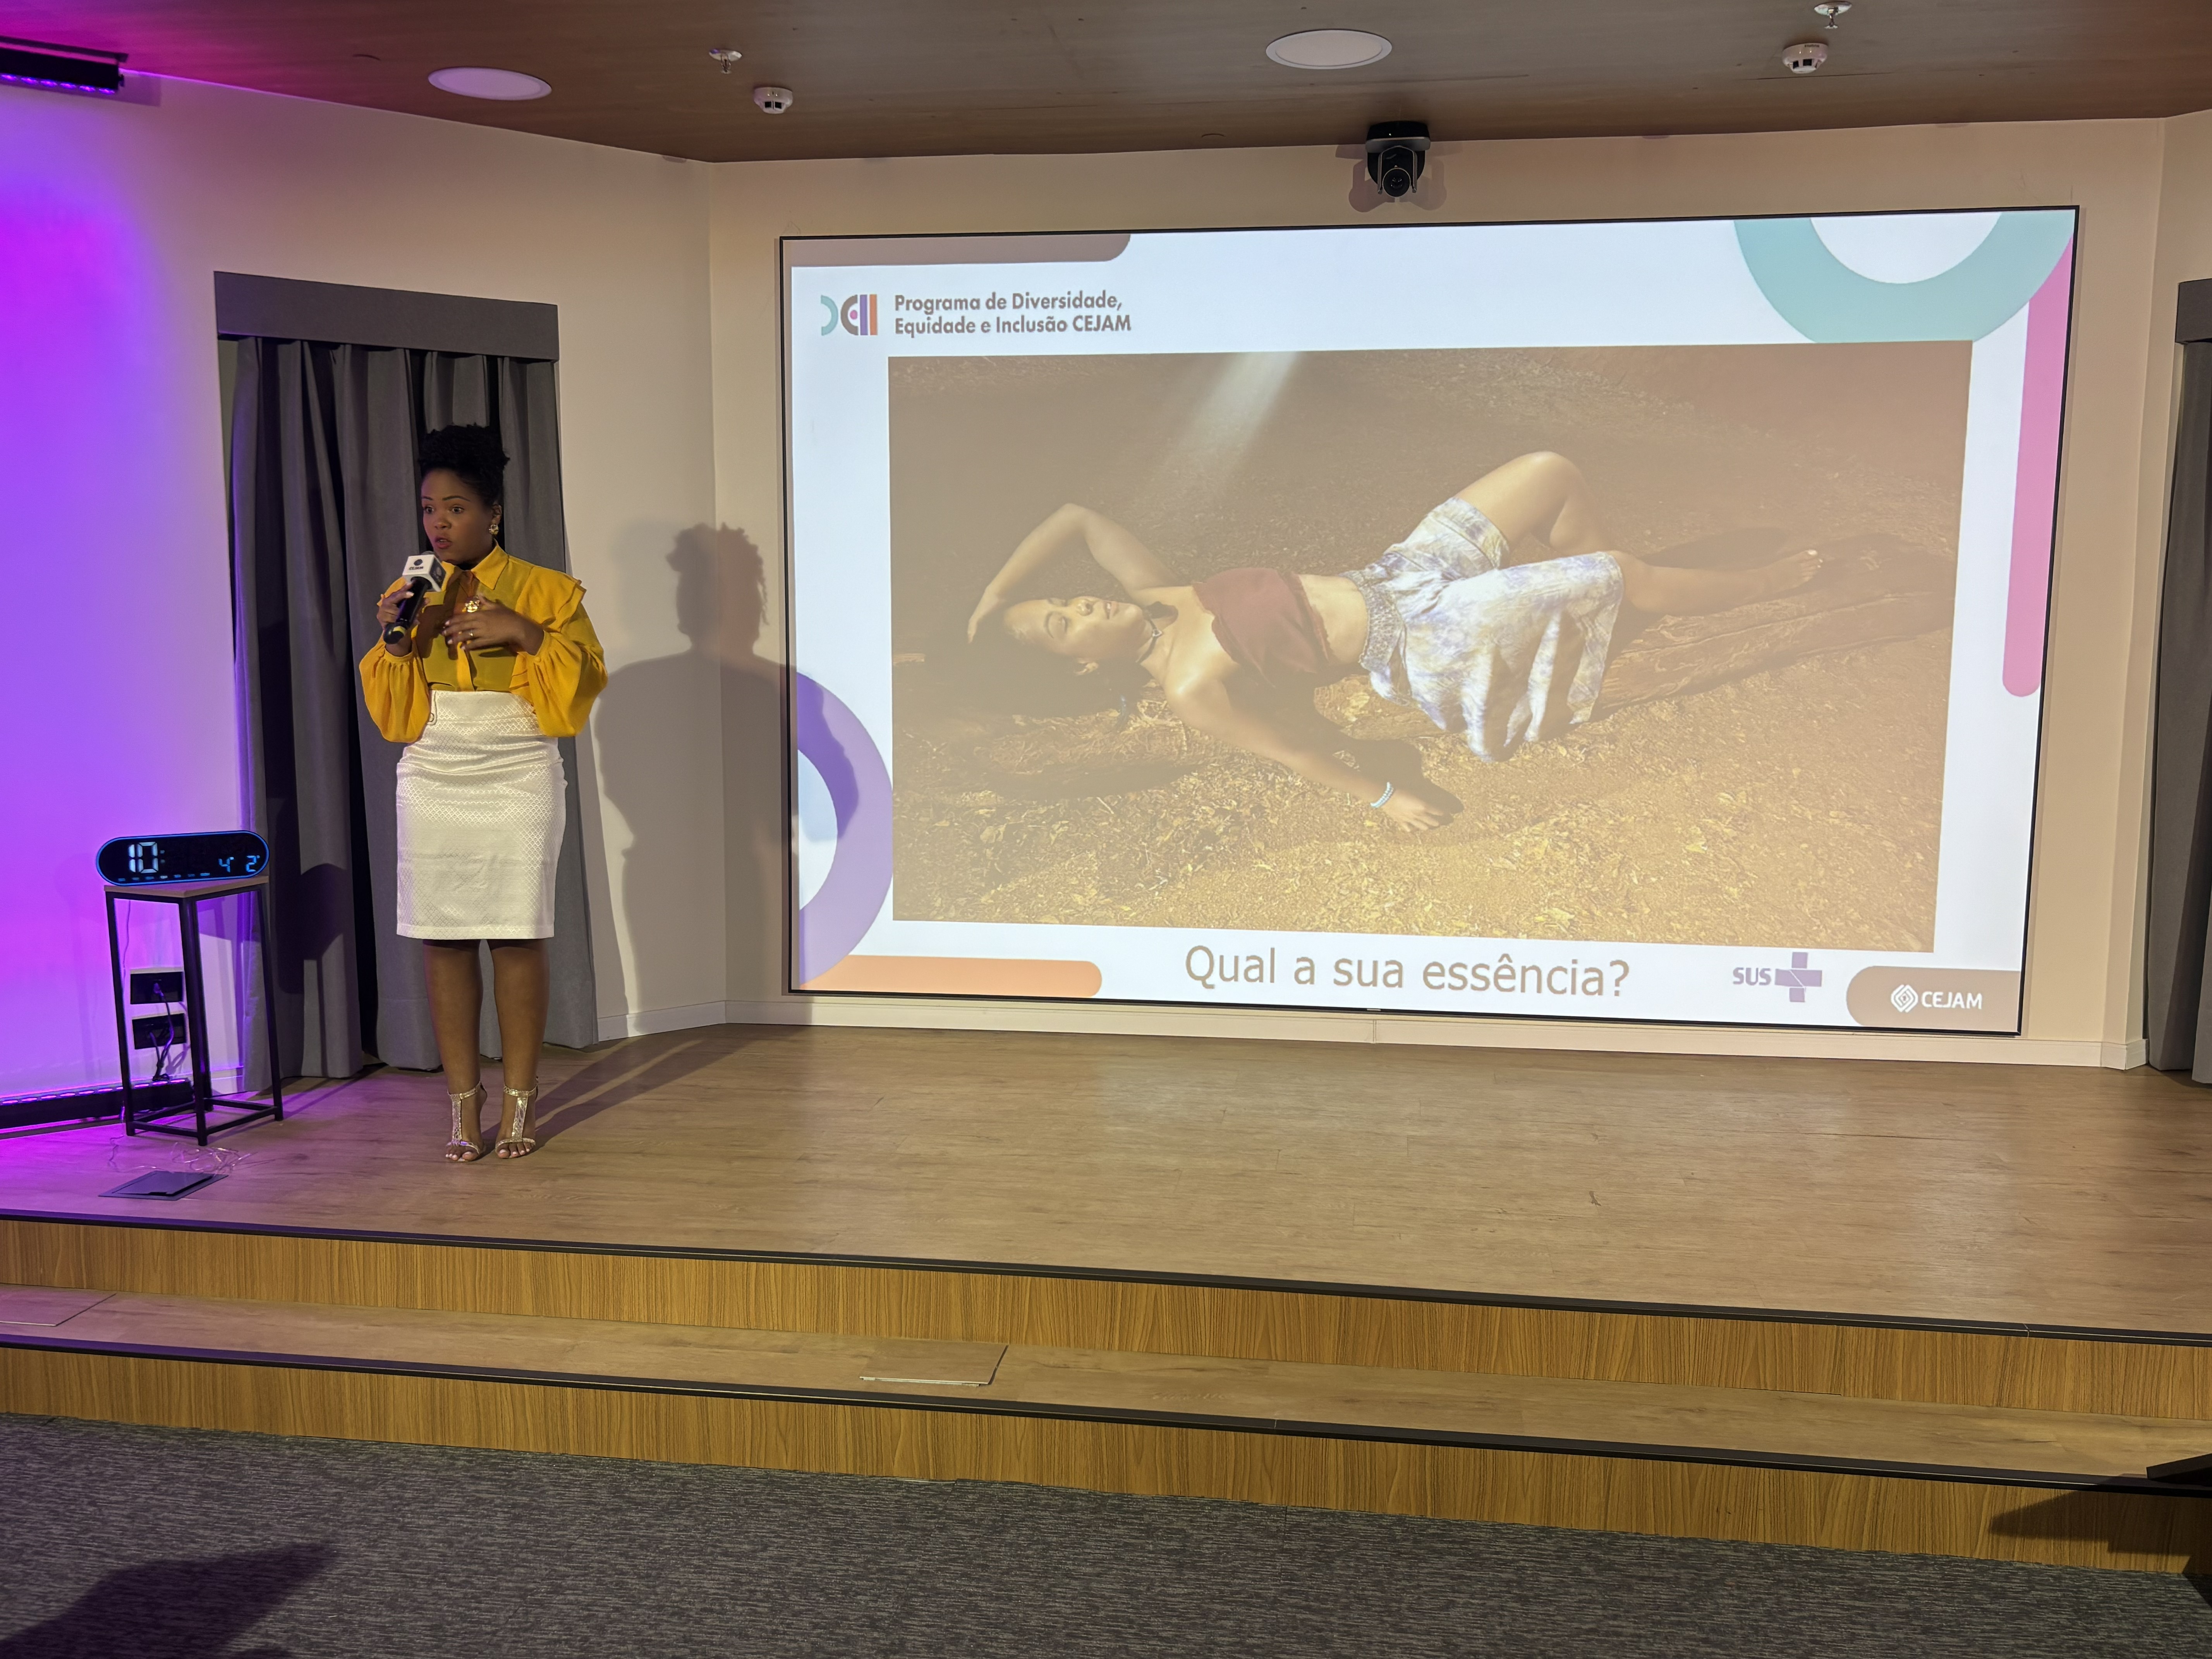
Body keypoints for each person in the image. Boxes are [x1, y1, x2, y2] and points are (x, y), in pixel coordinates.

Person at [967, 452, 1819, 830]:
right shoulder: (1188, 684)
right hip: (1425, 634)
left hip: (1401, 572)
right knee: (1624, 572)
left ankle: (1599, 601)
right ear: (1083, 665)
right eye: (1063, 624)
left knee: (1551, 471)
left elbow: (1074, 518)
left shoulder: (1157, 595)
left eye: (1066, 599)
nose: (1081, 606)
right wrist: (1384, 799)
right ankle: (1766, 586)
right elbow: (1292, 753)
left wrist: (998, 594)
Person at [359, 425, 606, 1163]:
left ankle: (522, 1100)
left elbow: (585, 678)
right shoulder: (411, 594)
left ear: (493, 514)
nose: (439, 523)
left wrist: (525, 631)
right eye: (429, 509)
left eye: (456, 508)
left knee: (517, 931)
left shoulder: (547, 590)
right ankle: (464, 1106)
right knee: (443, 935)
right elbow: (394, 711)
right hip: (436, 763)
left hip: (518, 764)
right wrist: (397, 641)